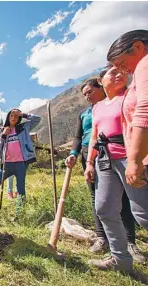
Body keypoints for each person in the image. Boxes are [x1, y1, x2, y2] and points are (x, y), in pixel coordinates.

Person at [65, 78, 144, 261]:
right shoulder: (85, 114)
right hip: (91, 155)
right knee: (98, 198)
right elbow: (79, 136)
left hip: (120, 152)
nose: (87, 97)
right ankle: (102, 237)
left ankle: (130, 241)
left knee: (124, 198)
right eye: (84, 94)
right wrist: (74, 153)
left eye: (90, 92)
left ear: (102, 88)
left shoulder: (120, 103)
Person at [84, 65, 148, 272]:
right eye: (112, 73)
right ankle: (120, 260)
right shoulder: (98, 107)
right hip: (105, 160)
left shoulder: (131, 96)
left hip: (130, 158)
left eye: (121, 71)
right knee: (104, 209)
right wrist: (89, 162)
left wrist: (137, 160)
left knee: (142, 212)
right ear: (101, 81)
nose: (120, 74)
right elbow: (95, 135)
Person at [0, 110, 41, 213]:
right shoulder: (2, 130)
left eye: (16, 116)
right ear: (8, 117)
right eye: (11, 115)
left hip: (21, 163)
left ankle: (20, 212)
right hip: (6, 164)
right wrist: (3, 135)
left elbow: (37, 119)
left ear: (19, 117)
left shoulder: (24, 127)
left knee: (20, 188)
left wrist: (23, 114)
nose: (13, 117)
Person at [107, 29, 148, 188]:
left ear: (138, 47)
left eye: (121, 63)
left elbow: (145, 109)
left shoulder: (144, 63)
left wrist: (135, 160)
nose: (123, 70)